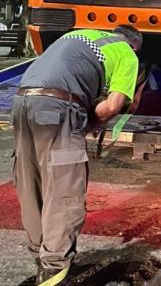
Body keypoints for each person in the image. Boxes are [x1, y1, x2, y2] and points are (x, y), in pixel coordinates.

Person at [12, 25, 143, 285]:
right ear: (133, 45)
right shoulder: (127, 53)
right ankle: (53, 271)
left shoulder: (77, 35)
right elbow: (112, 105)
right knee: (64, 189)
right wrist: (86, 124)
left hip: (22, 102)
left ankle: (41, 258)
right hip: (58, 108)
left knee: (31, 184)